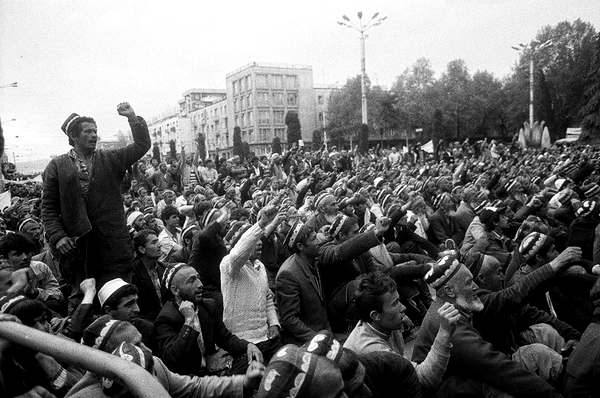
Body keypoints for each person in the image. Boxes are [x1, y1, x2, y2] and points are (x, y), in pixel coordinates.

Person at [41, 102, 151, 310]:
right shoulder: (58, 166)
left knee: (121, 298)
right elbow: (48, 207)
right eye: (88, 131)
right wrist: (58, 237)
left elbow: (141, 145)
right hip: (79, 249)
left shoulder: (110, 158)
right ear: (74, 136)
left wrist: (132, 118)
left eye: (95, 131)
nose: (93, 135)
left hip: (113, 245)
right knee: (87, 301)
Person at [412, 254, 563, 397]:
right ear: (450, 291)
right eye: (469, 282)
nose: (476, 286)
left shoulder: (454, 305)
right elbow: (495, 366)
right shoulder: (449, 323)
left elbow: (507, 298)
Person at [344, 272, 459, 391]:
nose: (403, 307)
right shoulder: (372, 350)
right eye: (395, 304)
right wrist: (444, 333)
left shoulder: (383, 322)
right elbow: (423, 381)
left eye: (398, 301)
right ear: (375, 315)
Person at [154, 263, 262, 376]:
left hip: (211, 370)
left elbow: (225, 338)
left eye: (198, 278)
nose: (200, 284)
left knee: (252, 360)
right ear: (175, 291)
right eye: (191, 281)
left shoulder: (207, 306)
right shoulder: (166, 318)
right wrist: (188, 321)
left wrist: (248, 346)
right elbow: (172, 359)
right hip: (188, 379)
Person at [220, 208, 282, 363]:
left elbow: (267, 298)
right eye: (255, 240)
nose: (260, 243)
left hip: (266, 338)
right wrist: (260, 224)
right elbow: (237, 254)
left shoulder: (260, 266)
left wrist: (274, 323)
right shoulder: (230, 265)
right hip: (242, 343)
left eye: (260, 239)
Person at [276, 222, 329, 345]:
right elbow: (289, 319)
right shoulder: (288, 274)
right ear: (300, 246)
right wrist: (317, 339)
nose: (319, 241)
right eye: (314, 239)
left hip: (323, 332)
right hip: (306, 342)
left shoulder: (312, 261)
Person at [0, 233, 63, 311]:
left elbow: (58, 296)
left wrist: (35, 292)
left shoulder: (40, 268)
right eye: (17, 254)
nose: (25, 257)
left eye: (27, 252)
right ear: (4, 258)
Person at [131, 230, 166, 321]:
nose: (159, 245)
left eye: (158, 241)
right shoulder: (133, 273)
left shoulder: (163, 268)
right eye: (154, 243)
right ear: (142, 249)